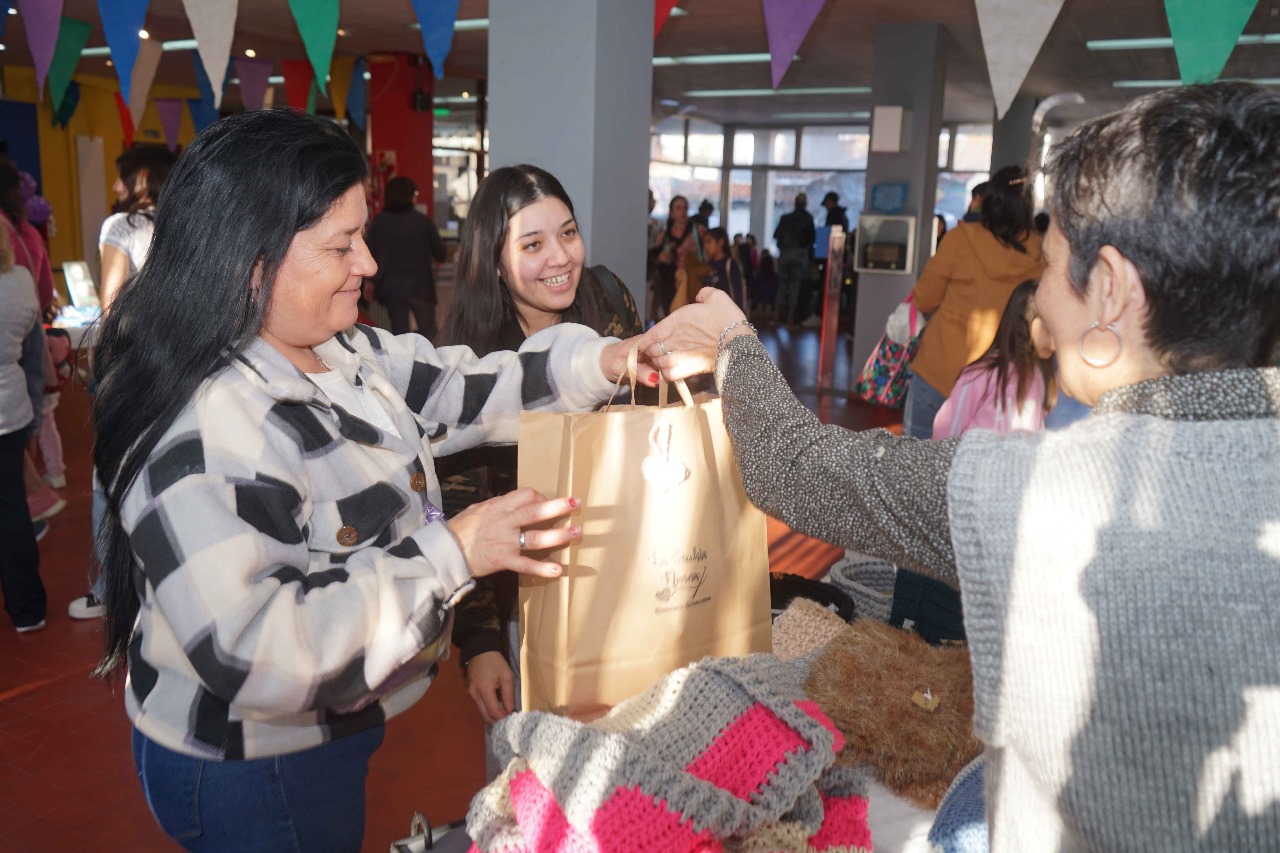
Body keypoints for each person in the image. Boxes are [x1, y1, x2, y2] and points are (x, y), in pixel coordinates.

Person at [644, 81, 1280, 850]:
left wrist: (733, 340)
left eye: (1051, 266)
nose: (1040, 301)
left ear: (1111, 287)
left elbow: (793, 467)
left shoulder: (1030, 493)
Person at [90, 109, 654, 851]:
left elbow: (462, 387)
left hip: (326, 730)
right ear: (251, 260)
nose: (369, 263)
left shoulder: (334, 345)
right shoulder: (205, 425)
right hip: (256, 767)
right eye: (341, 245)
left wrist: (609, 360)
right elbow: (257, 648)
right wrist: (455, 552)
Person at [438, 163, 645, 731]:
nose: (561, 257)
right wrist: (481, 643)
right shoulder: (474, 360)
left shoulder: (606, 298)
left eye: (568, 233)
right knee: (539, 755)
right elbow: (461, 509)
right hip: (529, 596)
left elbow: (644, 415)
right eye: (533, 244)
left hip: (627, 566)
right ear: (494, 263)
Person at [67, 147, 178, 620]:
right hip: (185, 360)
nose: (116, 188)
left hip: (135, 363)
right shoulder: (184, 221)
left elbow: (110, 305)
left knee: (110, 476)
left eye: (121, 178)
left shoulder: (122, 226)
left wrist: (96, 361)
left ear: (141, 178)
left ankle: (109, 591)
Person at [901, 166, 1045, 438]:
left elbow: (925, 298)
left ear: (989, 200)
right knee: (975, 460)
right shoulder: (1041, 254)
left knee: (914, 456)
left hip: (940, 369)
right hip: (999, 382)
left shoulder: (960, 239)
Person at [0, 214, 47, 633]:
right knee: (12, 505)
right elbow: (32, 340)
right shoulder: (18, 280)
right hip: (11, 406)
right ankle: (28, 609)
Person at [931, 279, 1054, 438]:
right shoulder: (982, 374)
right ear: (1024, 321)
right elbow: (946, 429)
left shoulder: (1040, 375)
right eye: (1049, 329)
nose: (1056, 341)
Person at [365, 175, 447, 337]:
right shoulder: (422, 222)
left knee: (399, 335)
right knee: (428, 334)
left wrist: (370, 282)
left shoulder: (379, 222)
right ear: (410, 196)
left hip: (391, 288)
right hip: (421, 286)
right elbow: (441, 254)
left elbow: (370, 254)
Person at [652, 195, 704, 319]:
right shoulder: (664, 234)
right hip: (668, 283)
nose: (682, 212)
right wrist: (661, 258)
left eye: (685, 208)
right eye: (678, 208)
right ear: (671, 212)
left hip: (691, 280)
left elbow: (706, 255)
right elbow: (653, 257)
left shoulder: (698, 231)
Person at [773, 192, 815, 325]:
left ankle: (777, 313)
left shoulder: (785, 218)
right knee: (795, 286)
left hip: (785, 253)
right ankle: (791, 317)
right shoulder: (808, 219)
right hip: (800, 254)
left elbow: (777, 236)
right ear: (805, 203)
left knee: (782, 284)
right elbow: (811, 240)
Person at [700, 226, 747, 311]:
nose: (706, 246)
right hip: (709, 311)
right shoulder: (707, 265)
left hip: (727, 311)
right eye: (705, 243)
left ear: (721, 242)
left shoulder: (730, 264)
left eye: (709, 242)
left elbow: (737, 291)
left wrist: (737, 312)